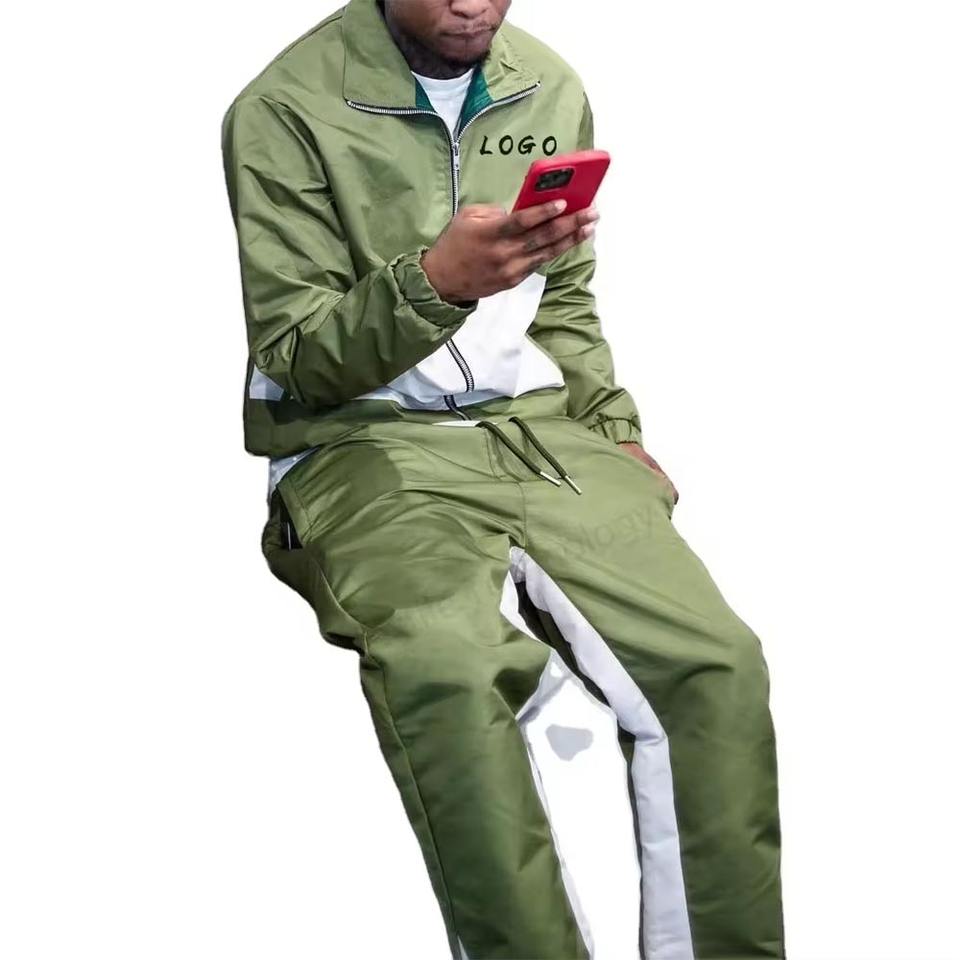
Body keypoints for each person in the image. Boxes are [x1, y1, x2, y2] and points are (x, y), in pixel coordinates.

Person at [221, 1, 785, 956]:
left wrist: (610, 424)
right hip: (360, 443)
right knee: (449, 669)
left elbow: (563, 297)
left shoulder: (544, 84)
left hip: (537, 429)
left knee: (716, 664)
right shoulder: (283, 107)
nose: (474, 2)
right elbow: (297, 354)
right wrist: (436, 282)